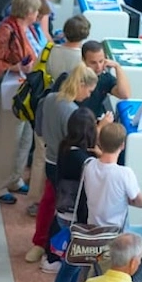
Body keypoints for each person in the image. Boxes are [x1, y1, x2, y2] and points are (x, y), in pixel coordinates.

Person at [31, 65, 101, 261]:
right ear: (80, 84)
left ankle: (42, 244)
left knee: (49, 202)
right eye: (88, 90)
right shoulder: (72, 111)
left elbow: (40, 129)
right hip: (63, 166)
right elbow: (79, 143)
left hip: (49, 158)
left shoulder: (49, 99)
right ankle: (52, 252)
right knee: (63, 211)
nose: (88, 96)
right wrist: (99, 128)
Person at [0, 0, 39, 205]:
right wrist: (15, 67)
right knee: (8, 141)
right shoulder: (6, 30)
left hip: (24, 90)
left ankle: (14, 179)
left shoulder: (27, 29)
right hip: (11, 93)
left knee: (24, 138)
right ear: (28, 11)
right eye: (35, 10)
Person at [41, 108, 101, 275]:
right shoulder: (85, 161)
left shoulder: (65, 146)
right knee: (72, 262)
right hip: (76, 212)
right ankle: (57, 262)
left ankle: (51, 258)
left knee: (59, 231)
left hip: (63, 204)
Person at [82, 122, 142, 229]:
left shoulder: (88, 165)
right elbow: (141, 203)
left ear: (100, 143)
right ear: (122, 145)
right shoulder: (125, 173)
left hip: (92, 230)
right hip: (115, 233)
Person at [76, 40, 131, 118]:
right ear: (83, 60)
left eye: (101, 61)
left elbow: (125, 94)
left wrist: (117, 67)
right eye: (93, 63)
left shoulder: (104, 78)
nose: (98, 67)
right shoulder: (71, 77)